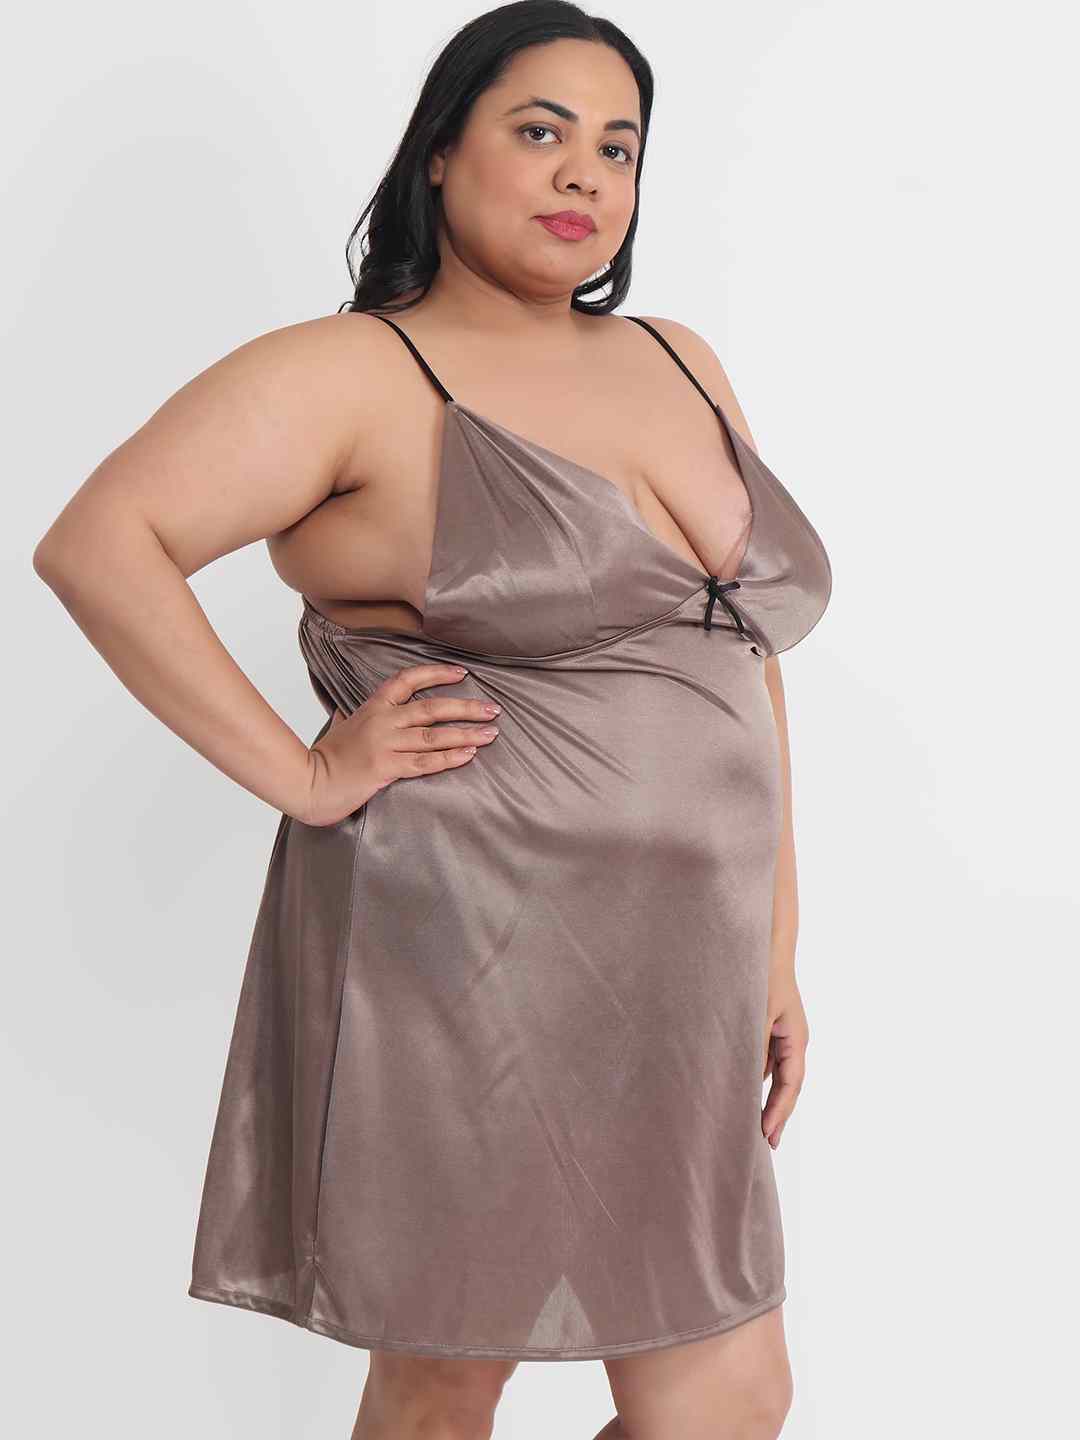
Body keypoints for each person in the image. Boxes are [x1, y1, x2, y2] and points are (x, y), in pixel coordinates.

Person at [33, 5, 832, 1437]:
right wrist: (304, 773)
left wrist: (772, 948)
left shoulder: (678, 356)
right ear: (441, 155)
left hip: (684, 965)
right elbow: (100, 544)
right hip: (469, 946)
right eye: (540, 131)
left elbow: (739, 651)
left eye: (618, 147)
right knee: (448, 1377)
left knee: (729, 1395)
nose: (584, 173)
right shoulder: (354, 372)